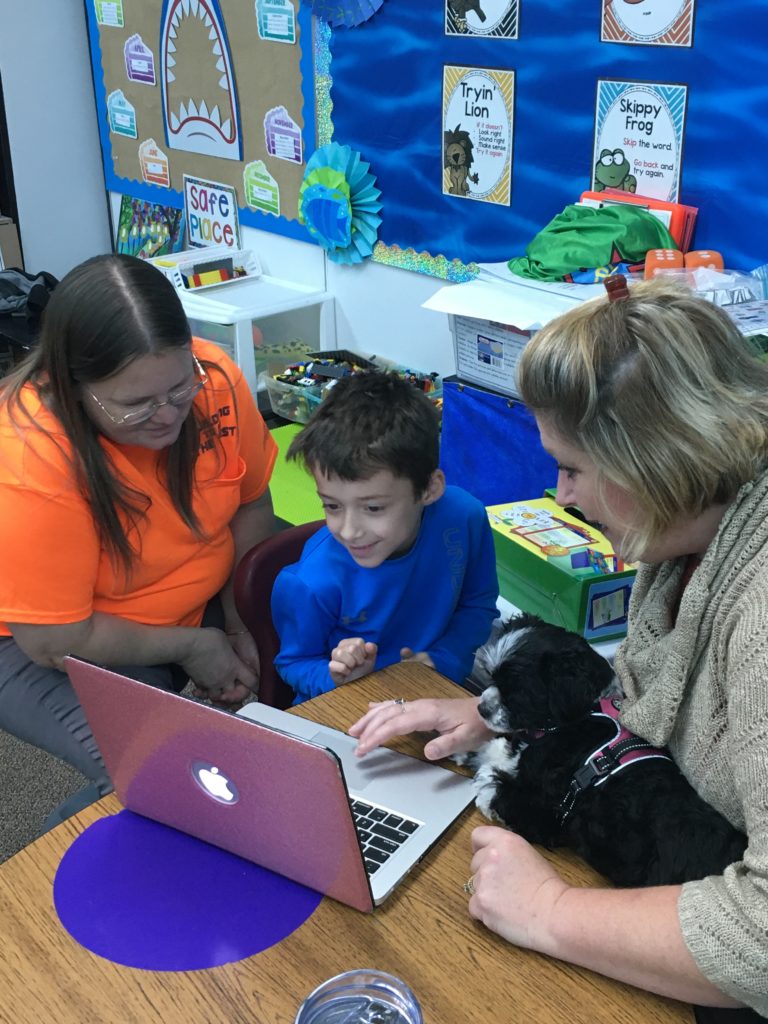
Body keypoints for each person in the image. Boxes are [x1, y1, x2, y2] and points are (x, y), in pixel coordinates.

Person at [349, 277, 768, 1018]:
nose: (561, 494)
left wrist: (547, 910)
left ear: (659, 458)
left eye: (571, 468)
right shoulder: (687, 541)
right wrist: (502, 716)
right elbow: (647, 692)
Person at [0, 254, 277, 791]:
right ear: (71, 387)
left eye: (178, 390)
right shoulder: (29, 456)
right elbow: (56, 639)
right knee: (158, 778)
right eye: (136, 405)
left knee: (329, 633)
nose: (168, 414)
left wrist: (243, 619)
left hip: (194, 598)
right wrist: (193, 646)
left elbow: (251, 503)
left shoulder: (213, 377)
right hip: (49, 642)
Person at [271, 371, 499, 702]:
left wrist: (440, 662)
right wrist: (343, 678)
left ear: (429, 489)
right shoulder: (309, 582)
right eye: (332, 505)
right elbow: (294, 663)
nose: (349, 530)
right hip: (345, 713)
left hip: (433, 692)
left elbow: (477, 605)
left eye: (374, 508)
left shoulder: (465, 518)